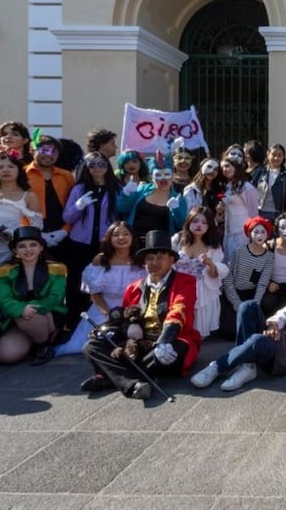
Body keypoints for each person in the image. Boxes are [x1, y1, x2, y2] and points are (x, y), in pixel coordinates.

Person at [80, 229, 200, 400]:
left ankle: (112, 377)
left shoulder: (186, 281)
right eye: (149, 258)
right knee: (91, 346)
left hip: (172, 340)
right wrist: (106, 330)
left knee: (171, 352)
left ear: (171, 260)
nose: (154, 262)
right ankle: (132, 383)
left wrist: (164, 341)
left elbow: (179, 310)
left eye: (160, 258)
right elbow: (126, 319)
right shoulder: (134, 287)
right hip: (137, 345)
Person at [190, 272, 286, 391]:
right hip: (276, 337)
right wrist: (273, 324)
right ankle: (247, 366)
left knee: (257, 339)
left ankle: (216, 367)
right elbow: (280, 316)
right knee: (248, 306)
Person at [56, 221, 146, 356]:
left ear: (133, 237)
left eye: (126, 234)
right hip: (103, 308)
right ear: (109, 238)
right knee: (97, 342)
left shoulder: (140, 259)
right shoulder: (101, 260)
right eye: (116, 235)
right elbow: (94, 293)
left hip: (133, 308)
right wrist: (108, 313)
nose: (121, 238)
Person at [61, 151, 121, 334]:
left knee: (100, 283)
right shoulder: (79, 189)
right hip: (80, 243)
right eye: (92, 164)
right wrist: (79, 205)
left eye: (101, 164)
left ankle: (101, 322)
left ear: (107, 167)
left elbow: (120, 215)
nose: (97, 168)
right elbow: (67, 216)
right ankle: (73, 322)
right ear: (86, 168)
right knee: (76, 284)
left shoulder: (115, 188)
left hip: (103, 245)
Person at [0, 226, 67, 365]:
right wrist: (21, 309)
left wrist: (31, 308)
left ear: (41, 248)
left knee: (27, 316)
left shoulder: (56, 268)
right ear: (15, 250)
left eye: (33, 245)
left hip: (49, 315)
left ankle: (44, 345)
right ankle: (36, 340)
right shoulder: (4, 271)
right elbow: (1, 299)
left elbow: (56, 297)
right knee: (5, 355)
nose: (28, 250)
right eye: (22, 246)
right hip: (18, 318)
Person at [0, 151, 43, 265]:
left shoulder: (28, 196)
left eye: (11, 166)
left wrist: (10, 234)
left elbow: (37, 226)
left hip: (9, 250)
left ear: (19, 170)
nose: (5, 170)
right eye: (0, 167)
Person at [172, 206, 228, 337]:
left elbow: (217, 273)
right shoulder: (177, 240)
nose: (199, 225)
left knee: (197, 330)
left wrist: (210, 263)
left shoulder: (213, 245)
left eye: (204, 223)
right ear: (189, 222)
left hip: (202, 289)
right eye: (195, 221)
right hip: (179, 287)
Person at [221, 216, 274, 336]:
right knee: (230, 332)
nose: (259, 235)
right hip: (234, 293)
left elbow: (262, 283)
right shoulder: (239, 251)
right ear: (250, 234)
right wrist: (236, 303)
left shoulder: (269, 257)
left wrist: (254, 305)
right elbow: (227, 278)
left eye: (262, 232)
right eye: (256, 232)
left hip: (250, 294)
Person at [116, 155, 187, 242]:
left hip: (160, 244)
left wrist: (176, 210)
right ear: (152, 178)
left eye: (167, 174)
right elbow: (121, 209)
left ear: (172, 176)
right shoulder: (142, 190)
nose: (163, 178)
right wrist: (126, 194)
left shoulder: (178, 198)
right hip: (135, 241)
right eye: (158, 175)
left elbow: (182, 225)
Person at [24, 135, 74, 255]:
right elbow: (16, 206)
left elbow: (72, 205)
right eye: (44, 150)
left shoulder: (67, 176)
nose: (49, 155)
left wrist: (65, 230)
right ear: (32, 150)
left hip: (62, 234)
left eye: (54, 152)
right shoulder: (21, 174)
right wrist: (32, 231)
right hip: (29, 235)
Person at [217, 156, 259, 259]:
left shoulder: (247, 188)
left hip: (243, 234)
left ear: (236, 166)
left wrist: (253, 235)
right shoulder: (228, 187)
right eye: (222, 168)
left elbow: (254, 214)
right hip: (229, 233)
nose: (225, 170)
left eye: (227, 166)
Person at [256, 143, 286, 222]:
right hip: (260, 212)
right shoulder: (260, 172)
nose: (276, 158)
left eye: (279, 155)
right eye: (273, 154)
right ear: (268, 155)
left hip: (279, 214)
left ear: (283, 157)